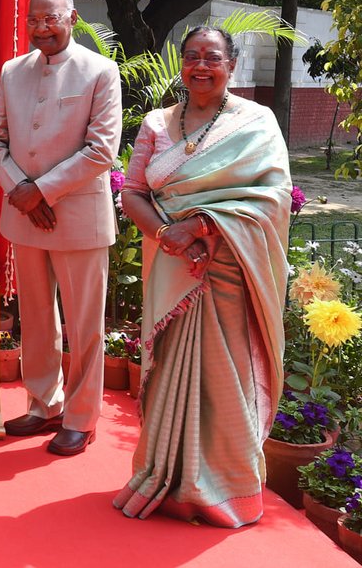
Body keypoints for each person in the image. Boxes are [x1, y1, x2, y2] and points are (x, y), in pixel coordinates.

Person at [112, 26, 290, 527]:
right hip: (173, 262)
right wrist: (172, 235)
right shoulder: (156, 123)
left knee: (224, 373)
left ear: (231, 65)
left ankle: (223, 489)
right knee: (170, 365)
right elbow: (131, 192)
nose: (201, 66)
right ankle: (165, 476)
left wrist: (205, 225)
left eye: (213, 57)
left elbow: (273, 196)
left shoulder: (257, 122)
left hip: (230, 264)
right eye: (192, 57)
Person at [0, 0, 122, 456]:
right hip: (25, 218)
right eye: (34, 20)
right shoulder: (12, 71)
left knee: (85, 325)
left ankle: (82, 418)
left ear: (73, 18)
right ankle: (45, 403)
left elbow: (103, 149)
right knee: (37, 317)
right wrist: (18, 191)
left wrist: (39, 190)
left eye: (51, 19)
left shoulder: (101, 71)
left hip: (78, 217)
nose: (41, 28)